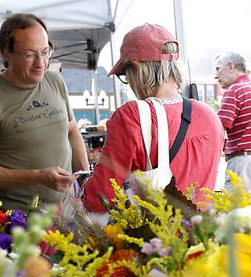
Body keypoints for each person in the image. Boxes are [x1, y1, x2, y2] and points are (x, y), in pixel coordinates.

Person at [83, 23, 224, 212]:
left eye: (126, 76)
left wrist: (82, 186)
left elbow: (101, 197)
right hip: (205, 235)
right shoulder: (209, 115)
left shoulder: (132, 116)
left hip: (156, 238)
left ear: (136, 68)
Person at [0, 13, 88, 213]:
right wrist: (38, 177)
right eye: (30, 54)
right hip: (16, 221)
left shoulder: (55, 81)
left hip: (67, 214)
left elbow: (72, 131)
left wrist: (84, 179)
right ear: (6, 54)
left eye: (45, 52)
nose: (41, 63)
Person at [214, 51, 251, 195]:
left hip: (242, 162)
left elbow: (218, 127)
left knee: (235, 213)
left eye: (218, 69)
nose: (216, 75)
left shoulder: (234, 90)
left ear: (231, 66)